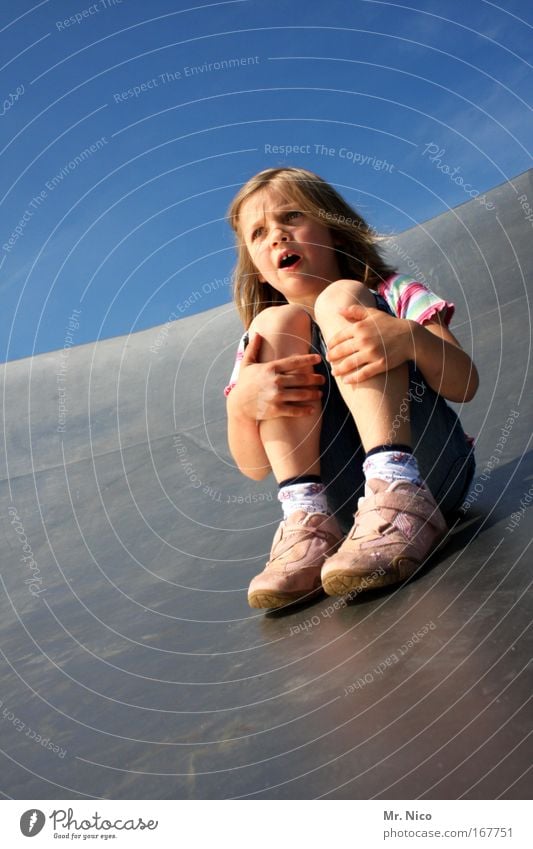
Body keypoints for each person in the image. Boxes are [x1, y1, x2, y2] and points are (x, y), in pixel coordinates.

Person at [224, 167, 478, 609]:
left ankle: (398, 486)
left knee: (341, 298)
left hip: (431, 469)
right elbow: (254, 467)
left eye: (292, 218)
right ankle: (307, 523)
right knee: (275, 322)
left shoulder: (393, 292)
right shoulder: (260, 345)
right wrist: (243, 407)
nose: (278, 236)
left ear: (335, 232)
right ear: (259, 271)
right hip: (346, 511)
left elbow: (465, 383)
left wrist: (408, 337)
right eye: (259, 233)